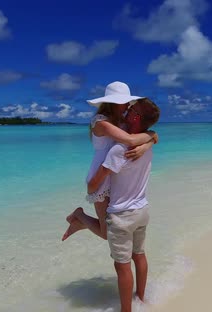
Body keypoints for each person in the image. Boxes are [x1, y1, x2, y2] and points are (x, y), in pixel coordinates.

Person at [67, 99, 160, 312]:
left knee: (122, 267)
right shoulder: (146, 149)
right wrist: (150, 139)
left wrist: (95, 184)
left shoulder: (119, 150)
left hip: (121, 215)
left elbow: (93, 186)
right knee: (140, 255)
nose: (127, 109)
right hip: (142, 210)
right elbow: (150, 135)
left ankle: (126, 310)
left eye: (132, 109)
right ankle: (142, 300)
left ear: (135, 118)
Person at [62, 81, 157, 241]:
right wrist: (149, 139)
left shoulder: (121, 121)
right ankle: (79, 215)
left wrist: (147, 144)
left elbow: (154, 135)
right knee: (107, 234)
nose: (128, 105)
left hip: (113, 174)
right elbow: (130, 140)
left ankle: (80, 223)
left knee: (110, 228)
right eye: (124, 102)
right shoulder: (100, 122)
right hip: (98, 178)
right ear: (113, 103)